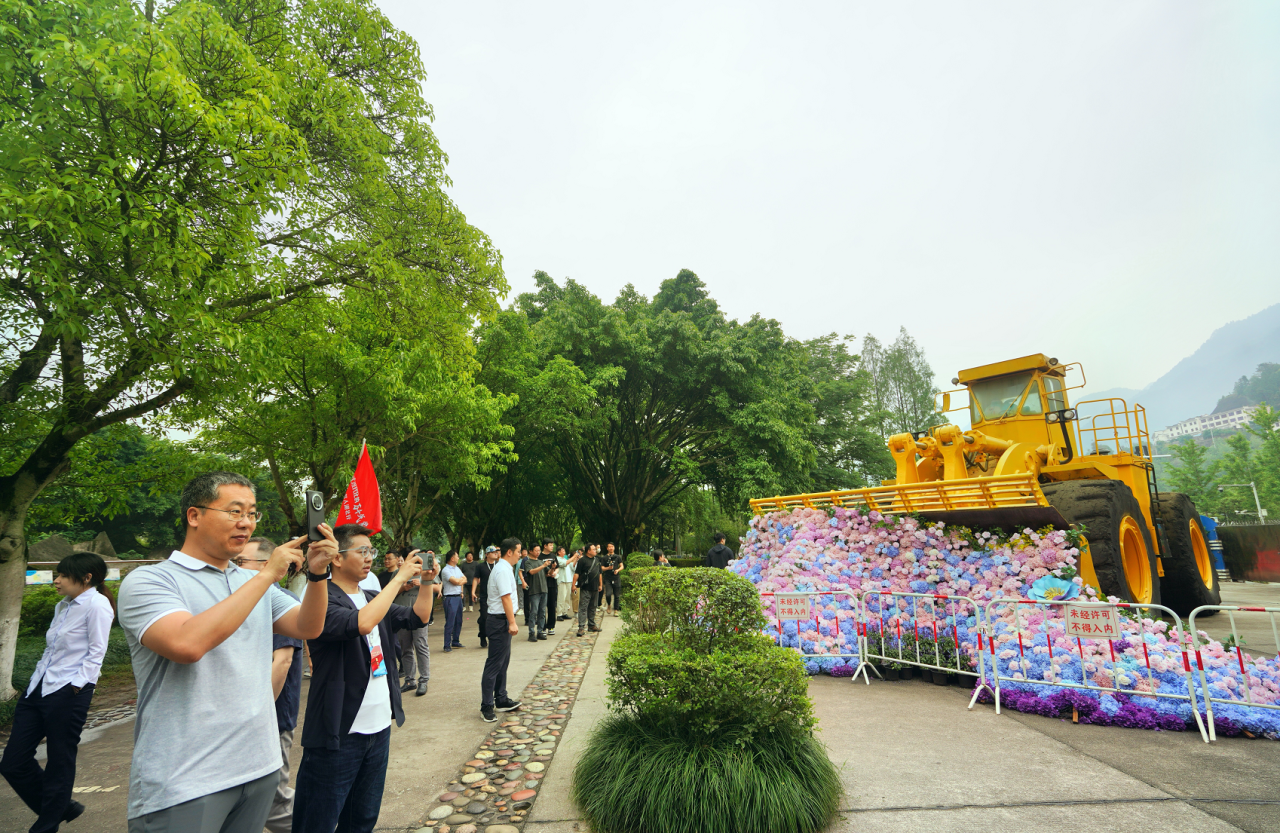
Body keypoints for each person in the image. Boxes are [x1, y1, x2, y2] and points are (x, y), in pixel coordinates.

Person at [116, 471, 336, 832]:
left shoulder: (250, 581)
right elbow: (186, 645)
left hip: (259, 766)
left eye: (251, 513)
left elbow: (307, 627)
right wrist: (267, 575)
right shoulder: (151, 580)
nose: (246, 523)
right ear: (194, 515)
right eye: (235, 511)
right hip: (186, 778)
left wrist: (317, 574)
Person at [292, 525, 438, 833]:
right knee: (317, 822)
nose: (370, 557)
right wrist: (398, 578)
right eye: (362, 551)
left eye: (371, 551)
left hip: (378, 727)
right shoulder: (322, 599)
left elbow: (418, 618)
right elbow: (361, 623)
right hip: (339, 731)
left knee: (361, 820)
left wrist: (426, 582)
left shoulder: (372, 596)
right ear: (337, 558)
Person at [1, 551, 114, 833]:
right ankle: (63, 807)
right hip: (38, 687)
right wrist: (35, 682)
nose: (57, 580)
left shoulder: (97, 605)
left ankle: (47, 825)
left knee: (59, 760)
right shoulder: (62, 606)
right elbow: (51, 649)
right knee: (13, 762)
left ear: (86, 578)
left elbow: (97, 651)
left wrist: (77, 686)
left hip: (69, 690)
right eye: (57, 574)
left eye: (63, 575)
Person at [233, 537, 301, 833]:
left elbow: (282, 662)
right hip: (251, 716)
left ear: (267, 565)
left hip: (272, 717)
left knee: (275, 802)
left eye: (240, 562)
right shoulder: (242, 598)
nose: (233, 568)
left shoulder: (275, 599)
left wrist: (259, 714)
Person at [480, 538, 524, 723]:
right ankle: (486, 706)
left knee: (503, 662)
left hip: (501, 620)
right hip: (499, 621)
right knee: (494, 664)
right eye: (518, 551)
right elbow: (505, 598)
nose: (520, 554)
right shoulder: (503, 570)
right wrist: (512, 622)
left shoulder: (504, 568)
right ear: (510, 552)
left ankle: (501, 698)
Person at [390, 551, 432, 695]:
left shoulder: (426, 571)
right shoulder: (398, 573)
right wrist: (403, 587)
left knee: (421, 646)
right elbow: (389, 592)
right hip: (401, 615)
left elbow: (438, 588)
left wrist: (423, 583)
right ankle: (409, 680)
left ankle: (424, 680)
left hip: (419, 616)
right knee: (405, 648)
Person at [519, 544, 548, 642]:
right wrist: (543, 566)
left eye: (539, 550)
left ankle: (540, 631)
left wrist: (552, 568)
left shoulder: (541, 561)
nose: (538, 552)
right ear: (530, 551)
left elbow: (548, 573)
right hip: (534, 590)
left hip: (544, 589)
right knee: (534, 611)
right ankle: (531, 633)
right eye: (536, 550)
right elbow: (531, 572)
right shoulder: (528, 562)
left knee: (542, 612)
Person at [473, 546, 499, 648]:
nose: (495, 553)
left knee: (496, 618)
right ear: (487, 554)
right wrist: (473, 592)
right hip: (485, 596)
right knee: (484, 617)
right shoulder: (481, 566)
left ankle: (493, 638)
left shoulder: (499, 565)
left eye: (496, 552)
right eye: (492, 552)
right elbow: (476, 579)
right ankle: (483, 636)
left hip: (497, 596)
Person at [441, 550, 466, 651]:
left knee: (458, 620)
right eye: (457, 556)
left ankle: (455, 641)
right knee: (450, 621)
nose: (458, 558)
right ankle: (447, 644)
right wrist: (459, 581)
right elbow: (455, 581)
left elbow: (464, 579)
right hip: (450, 597)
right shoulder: (446, 570)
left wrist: (459, 582)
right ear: (452, 558)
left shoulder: (457, 568)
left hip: (458, 596)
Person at [575, 544, 602, 637]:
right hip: (585, 587)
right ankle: (581, 627)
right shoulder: (582, 560)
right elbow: (577, 573)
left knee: (593, 607)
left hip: (595, 587)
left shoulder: (597, 560)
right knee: (583, 607)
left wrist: (600, 584)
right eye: (594, 549)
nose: (595, 550)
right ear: (588, 551)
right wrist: (574, 585)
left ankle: (591, 625)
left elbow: (600, 573)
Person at [540, 539, 558, 635]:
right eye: (550, 545)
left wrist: (555, 572)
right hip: (543, 584)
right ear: (545, 546)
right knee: (542, 607)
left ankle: (551, 626)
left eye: (552, 545)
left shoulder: (553, 556)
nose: (552, 546)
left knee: (551, 606)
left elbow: (557, 567)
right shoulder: (540, 556)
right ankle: (542, 627)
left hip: (552, 584)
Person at [555, 547, 575, 621]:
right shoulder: (557, 559)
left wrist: (576, 558)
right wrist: (574, 556)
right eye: (562, 551)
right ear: (558, 552)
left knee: (567, 598)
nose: (564, 552)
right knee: (561, 598)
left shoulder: (564, 559)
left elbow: (571, 565)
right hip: (562, 580)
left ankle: (564, 612)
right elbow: (565, 564)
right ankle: (559, 614)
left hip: (568, 580)